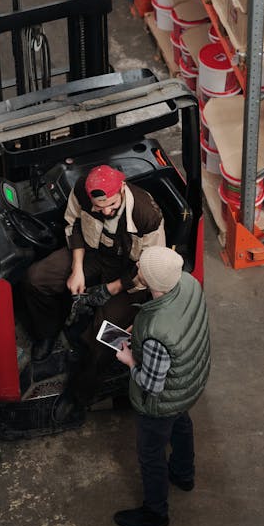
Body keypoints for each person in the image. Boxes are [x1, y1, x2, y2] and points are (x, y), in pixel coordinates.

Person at [20, 164, 165, 417]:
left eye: (111, 204)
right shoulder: (81, 189)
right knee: (36, 278)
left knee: (105, 335)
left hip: (132, 274)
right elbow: (73, 224)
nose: (106, 211)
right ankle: (47, 333)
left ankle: (80, 395)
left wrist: (111, 289)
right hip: (94, 253)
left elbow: (149, 268)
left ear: (122, 188)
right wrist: (76, 268)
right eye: (99, 207)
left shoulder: (147, 215)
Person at [113, 245, 210, 526]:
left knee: (151, 454)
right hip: (188, 383)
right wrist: (141, 328)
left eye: (141, 267)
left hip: (161, 401)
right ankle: (183, 475)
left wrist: (130, 360)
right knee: (181, 424)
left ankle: (155, 513)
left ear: (150, 280)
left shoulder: (157, 330)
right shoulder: (189, 283)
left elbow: (151, 385)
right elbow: (175, 321)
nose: (138, 269)